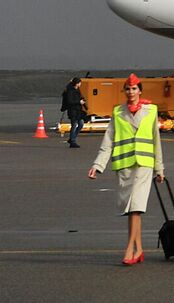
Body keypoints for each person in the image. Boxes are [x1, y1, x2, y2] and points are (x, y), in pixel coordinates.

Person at [85, 74, 164, 265]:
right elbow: (108, 140)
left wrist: (159, 168)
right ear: (125, 91)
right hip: (124, 165)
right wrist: (98, 165)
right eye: (128, 89)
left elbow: (156, 141)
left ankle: (129, 250)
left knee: (136, 207)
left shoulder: (151, 110)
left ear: (140, 91)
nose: (131, 92)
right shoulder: (118, 112)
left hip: (144, 164)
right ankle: (139, 249)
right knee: (130, 209)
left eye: (134, 89)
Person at [60, 77, 86, 148]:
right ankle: (73, 141)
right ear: (77, 84)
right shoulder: (70, 91)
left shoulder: (77, 89)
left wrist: (82, 101)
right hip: (72, 111)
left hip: (78, 110)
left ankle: (72, 138)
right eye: (80, 83)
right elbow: (70, 101)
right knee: (74, 125)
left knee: (81, 124)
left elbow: (79, 97)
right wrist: (79, 102)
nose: (80, 84)